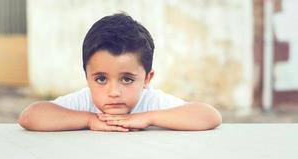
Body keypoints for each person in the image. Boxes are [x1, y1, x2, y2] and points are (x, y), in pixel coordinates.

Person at [18, 13, 222, 132]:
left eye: (126, 79)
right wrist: (89, 120)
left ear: (147, 78)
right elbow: (30, 116)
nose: (113, 91)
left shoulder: (150, 102)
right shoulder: (84, 103)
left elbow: (209, 116)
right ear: (87, 78)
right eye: (101, 79)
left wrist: (149, 118)